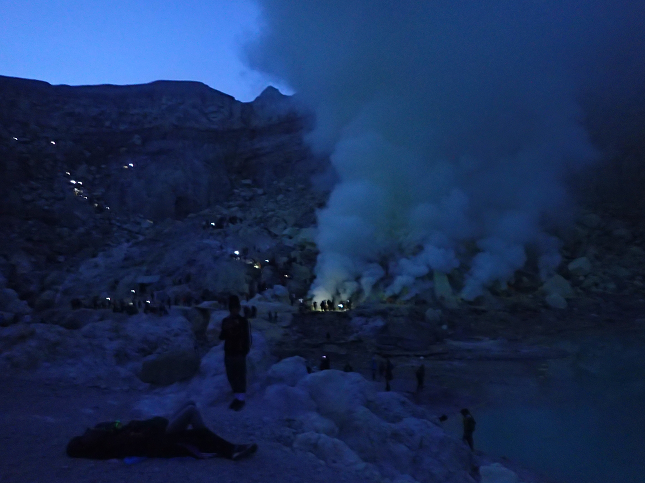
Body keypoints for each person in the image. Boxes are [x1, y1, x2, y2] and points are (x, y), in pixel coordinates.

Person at [66, 401, 257, 461]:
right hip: (161, 436)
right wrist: (139, 430)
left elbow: (128, 427)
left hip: (158, 428)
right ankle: (230, 450)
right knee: (191, 411)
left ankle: (218, 442)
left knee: (190, 404)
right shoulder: (110, 444)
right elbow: (141, 443)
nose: (90, 431)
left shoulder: (109, 434)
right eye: (88, 434)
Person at [219, 295, 252, 411]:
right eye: (233, 308)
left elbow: (247, 337)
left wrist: (245, 350)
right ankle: (237, 398)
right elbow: (222, 337)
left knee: (240, 376)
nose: (235, 310)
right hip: (229, 352)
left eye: (236, 308)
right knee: (231, 376)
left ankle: (240, 399)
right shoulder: (226, 321)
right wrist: (226, 329)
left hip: (238, 352)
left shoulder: (243, 321)